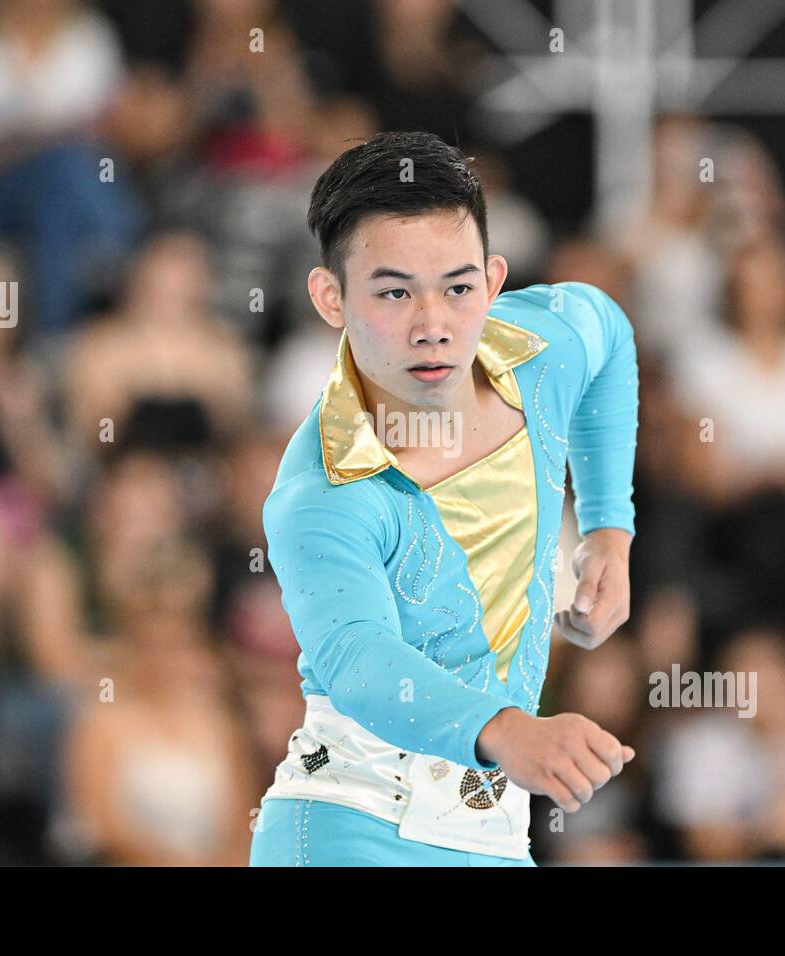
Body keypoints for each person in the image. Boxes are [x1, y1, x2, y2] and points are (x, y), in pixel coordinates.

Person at [248, 131, 640, 866]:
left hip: (490, 839)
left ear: (493, 281)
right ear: (330, 297)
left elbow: (609, 332)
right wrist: (507, 730)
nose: (433, 325)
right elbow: (357, 658)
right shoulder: (324, 491)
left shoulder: (539, 348)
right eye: (394, 292)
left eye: (458, 288)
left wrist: (609, 528)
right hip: (350, 828)